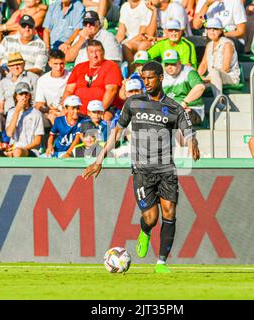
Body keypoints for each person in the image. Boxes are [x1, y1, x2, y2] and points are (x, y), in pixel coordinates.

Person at [82, 61, 200, 273]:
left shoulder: (173, 107)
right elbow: (116, 132)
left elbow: (186, 133)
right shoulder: (133, 103)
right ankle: (145, 231)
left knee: (169, 212)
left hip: (166, 169)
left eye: (150, 78)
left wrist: (193, 142)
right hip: (142, 170)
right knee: (151, 217)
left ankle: (161, 263)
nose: (146, 82)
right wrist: (99, 159)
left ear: (161, 78)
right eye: (143, 78)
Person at [61, 40, 123, 121]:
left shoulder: (111, 66)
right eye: (91, 52)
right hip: (78, 109)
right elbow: (68, 90)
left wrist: (98, 111)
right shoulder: (79, 67)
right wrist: (66, 108)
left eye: (97, 51)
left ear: (103, 52)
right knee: (60, 116)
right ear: (87, 53)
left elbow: (111, 91)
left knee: (105, 118)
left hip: (103, 108)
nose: (94, 55)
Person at [197, 18, 241, 96]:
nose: (212, 31)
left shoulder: (227, 44)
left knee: (214, 72)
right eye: (209, 29)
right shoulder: (209, 45)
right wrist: (196, 77)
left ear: (221, 31)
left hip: (229, 77)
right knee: (196, 85)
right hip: (212, 78)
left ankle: (219, 102)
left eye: (215, 29)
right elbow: (203, 65)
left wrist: (206, 79)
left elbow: (225, 69)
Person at [162, 49, 205, 125]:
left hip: (192, 109)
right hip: (171, 111)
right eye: (166, 64)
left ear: (179, 62)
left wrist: (184, 102)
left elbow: (200, 87)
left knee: (182, 116)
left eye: (172, 64)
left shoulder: (189, 72)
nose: (169, 67)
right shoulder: (162, 75)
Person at [2, 82, 44, 157]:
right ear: (16, 96)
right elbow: (9, 133)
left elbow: (37, 141)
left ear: (29, 96)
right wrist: (17, 112)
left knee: (17, 152)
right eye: (21, 94)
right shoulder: (11, 112)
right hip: (12, 149)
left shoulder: (37, 113)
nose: (24, 97)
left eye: (26, 94)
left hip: (31, 150)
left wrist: (21, 149)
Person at [35, 49, 71, 127]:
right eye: (55, 64)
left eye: (61, 63)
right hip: (50, 112)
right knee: (51, 116)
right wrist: (49, 110)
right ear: (49, 64)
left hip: (67, 110)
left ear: (65, 62)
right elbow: (39, 104)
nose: (59, 67)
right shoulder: (42, 80)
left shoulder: (70, 76)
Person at [0, 52, 39, 117]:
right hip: (7, 115)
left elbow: (36, 100)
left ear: (24, 64)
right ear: (8, 67)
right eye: (12, 65)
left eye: (18, 64)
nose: (15, 67)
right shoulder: (3, 82)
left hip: (28, 114)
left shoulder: (33, 78)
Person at [115, 0, 152, 65]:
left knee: (126, 46)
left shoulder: (145, 5)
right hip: (129, 40)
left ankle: (132, 71)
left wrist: (127, 43)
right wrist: (115, 45)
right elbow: (120, 33)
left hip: (143, 40)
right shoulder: (124, 6)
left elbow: (142, 33)